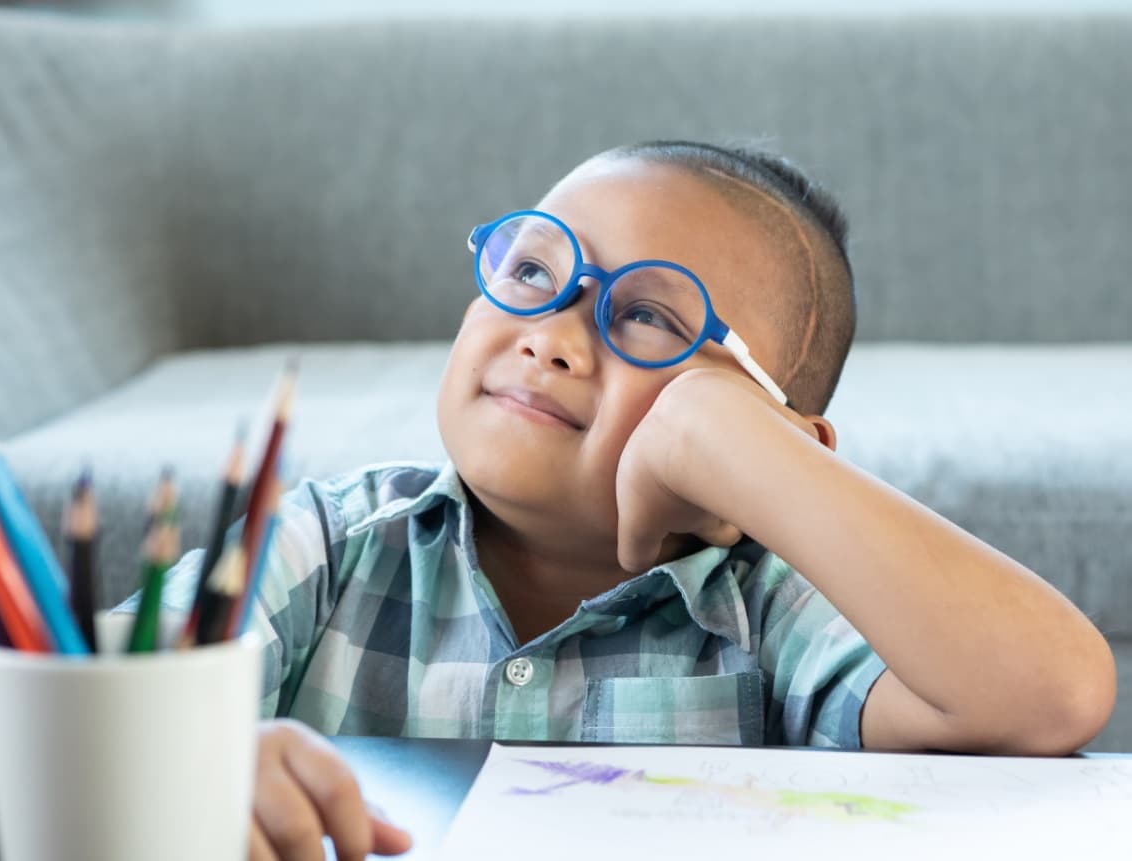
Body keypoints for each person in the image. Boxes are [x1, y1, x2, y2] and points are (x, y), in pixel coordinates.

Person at [153, 140, 1117, 861]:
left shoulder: (770, 611)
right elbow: (90, 697)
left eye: (649, 317)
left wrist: (726, 440)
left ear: (783, 444)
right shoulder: (324, 543)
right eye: (532, 270)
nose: (552, 334)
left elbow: (1051, 694)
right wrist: (201, 760)